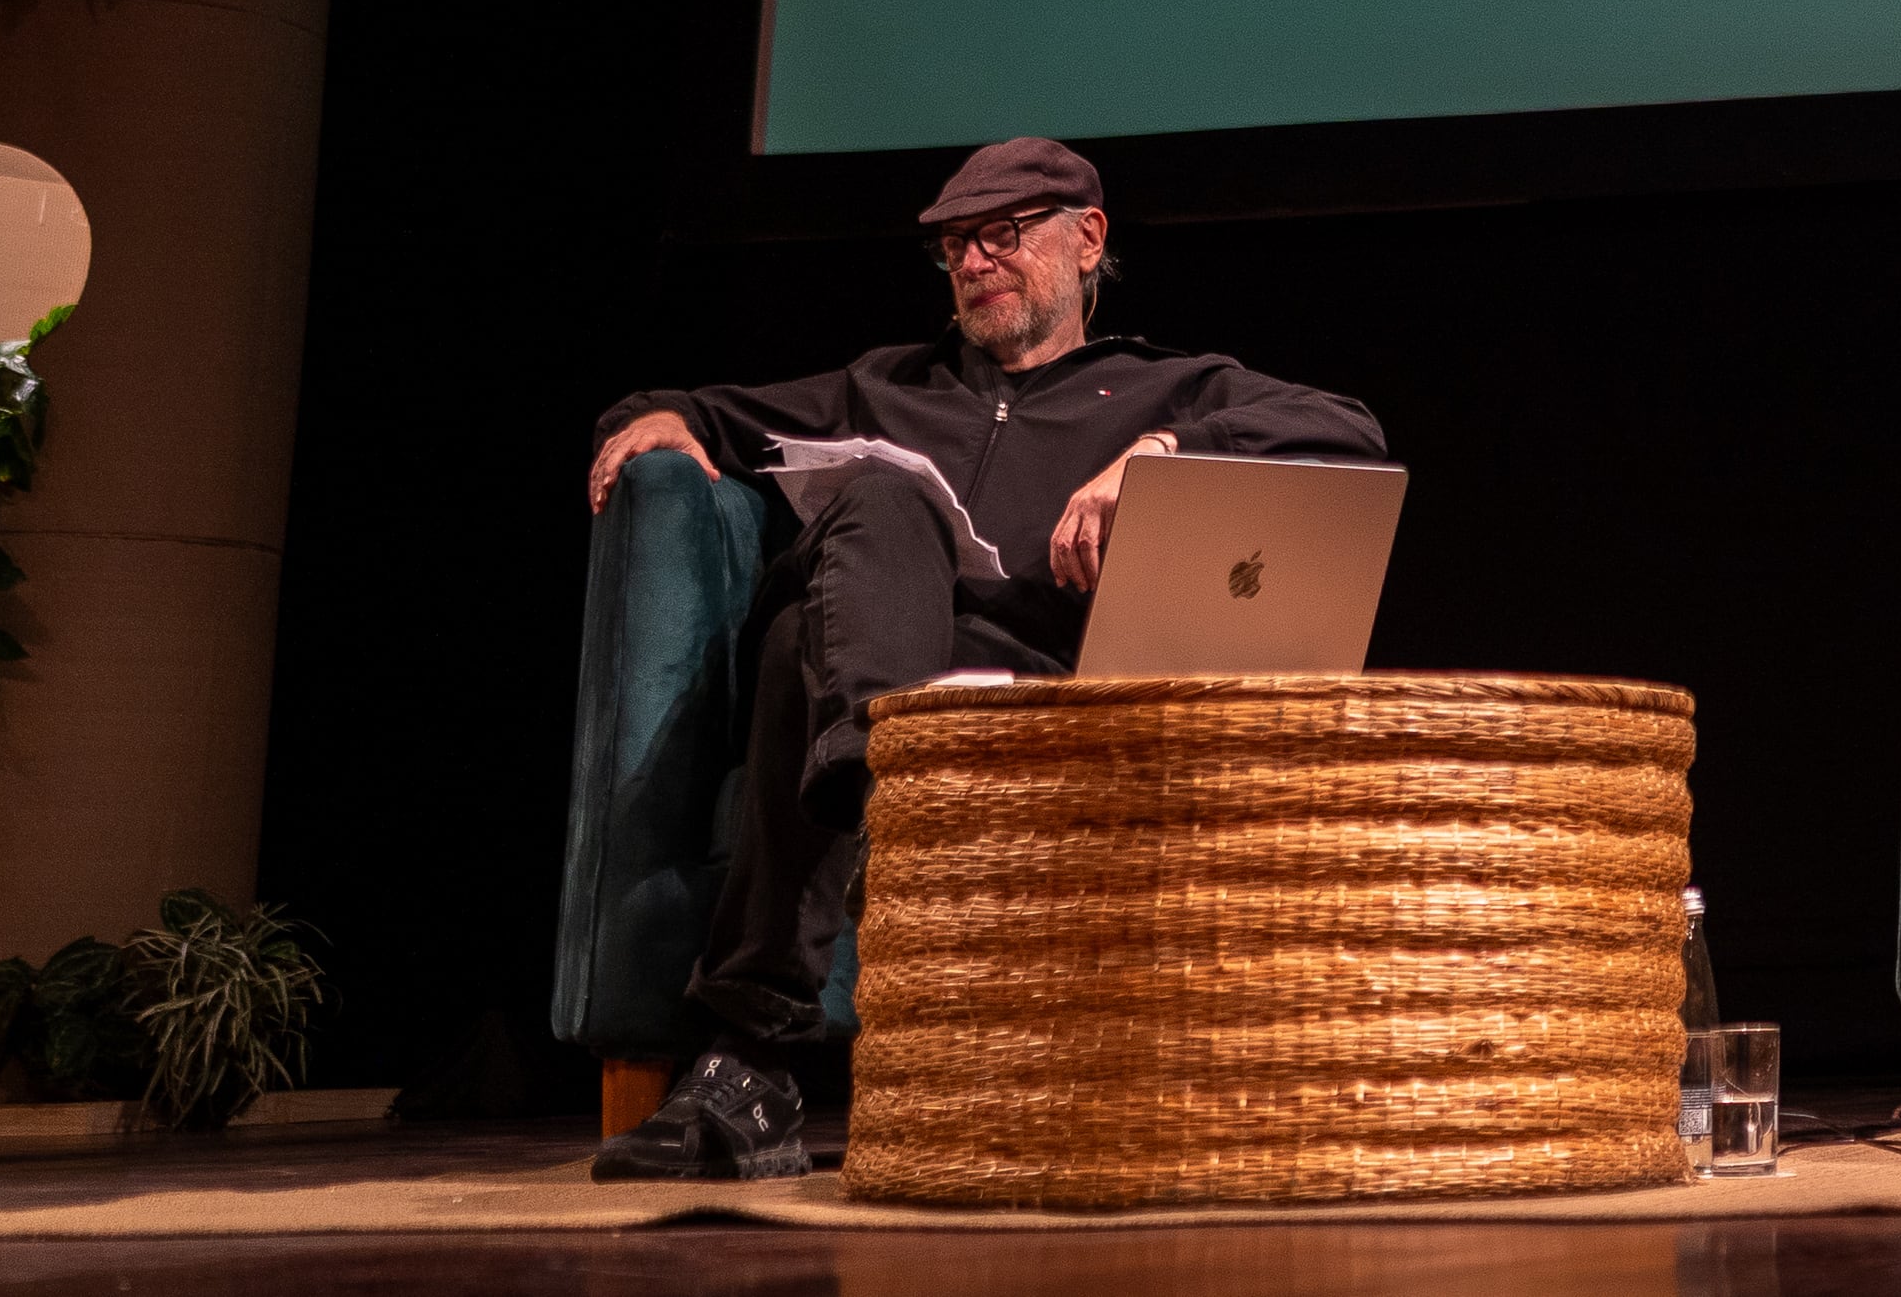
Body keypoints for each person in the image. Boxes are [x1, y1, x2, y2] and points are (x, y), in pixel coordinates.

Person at [576, 137, 1390, 1182]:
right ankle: (877, 750)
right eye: (955, 244)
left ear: (1087, 239)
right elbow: (693, 406)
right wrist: (655, 420)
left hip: (1031, 700)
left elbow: (1349, 428)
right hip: (880, 673)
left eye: (1001, 235)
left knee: (798, 651)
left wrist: (1160, 454)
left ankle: (750, 1064)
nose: (973, 261)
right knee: (858, 530)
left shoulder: (1166, 387)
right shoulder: (886, 388)